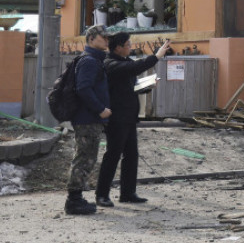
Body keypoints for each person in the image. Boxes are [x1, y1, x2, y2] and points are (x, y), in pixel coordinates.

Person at [94, 34, 170, 206]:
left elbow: (132, 85)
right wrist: (156, 57)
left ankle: (127, 193)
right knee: (112, 155)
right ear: (118, 47)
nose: (130, 47)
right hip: (116, 118)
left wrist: (147, 86)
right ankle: (101, 194)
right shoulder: (110, 63)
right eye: (127, 44)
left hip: (129, 117)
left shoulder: (124, 62)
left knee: (131, 155)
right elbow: (135, 67)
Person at [65, 24, 113, 215]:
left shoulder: (94, 60)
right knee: (84, 158)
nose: (107, 40)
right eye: (104, 37)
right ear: (92, 38)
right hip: (87, 118)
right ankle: (74, 200)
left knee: (87, 157)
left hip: (89, 118)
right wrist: (100, 109)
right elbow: (83, 88)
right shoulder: (90, 61)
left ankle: (76, 198)